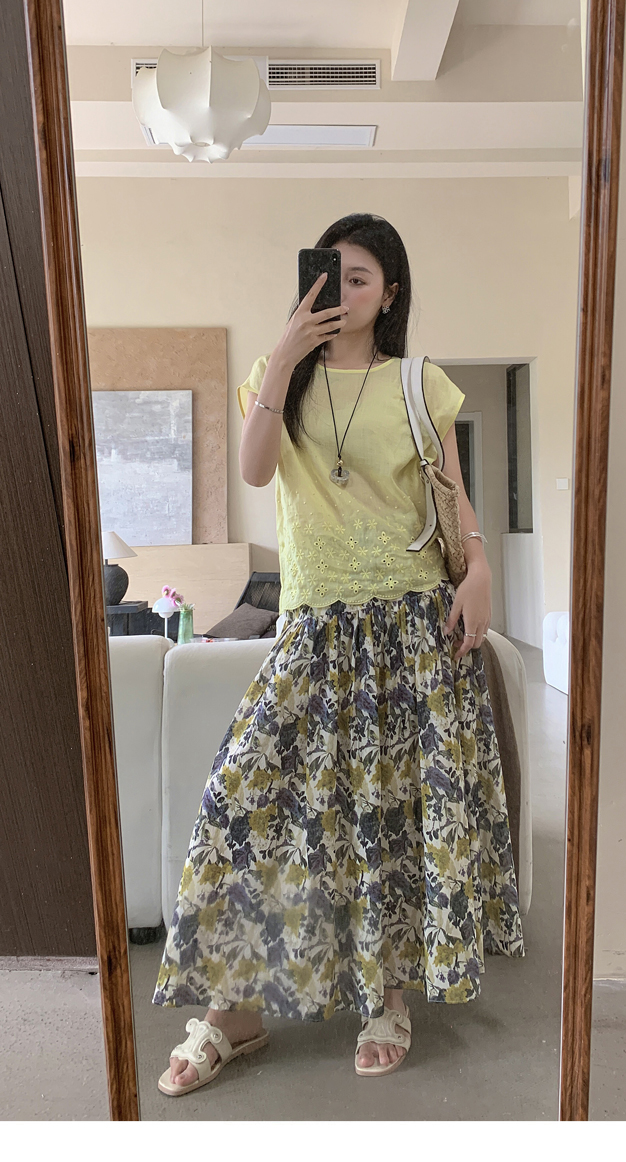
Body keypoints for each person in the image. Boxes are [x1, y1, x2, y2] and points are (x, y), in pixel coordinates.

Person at [153, 212, 523, 1096]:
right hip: (316, 630)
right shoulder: (274, 375)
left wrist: (478, 570)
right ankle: (235, 1012)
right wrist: (285, 356)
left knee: (391, 818)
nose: (344, 291)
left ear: (390, 293)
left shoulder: (418, 384)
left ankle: (387, 998)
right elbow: (254, 470)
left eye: (361, 278)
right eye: (332, 275)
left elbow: (451, 497)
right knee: (243, 805)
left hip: (411, 628)